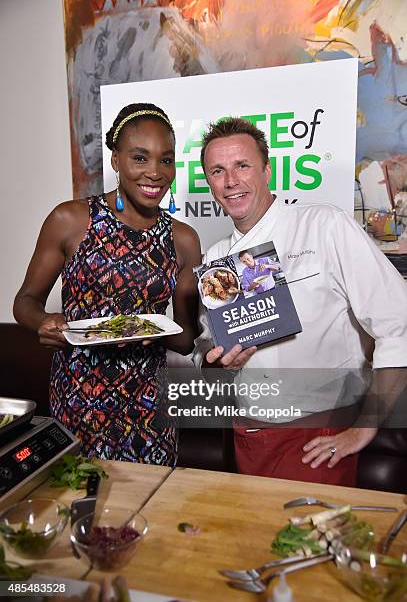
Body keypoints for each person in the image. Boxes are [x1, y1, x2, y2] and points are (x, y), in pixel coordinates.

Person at [193, 117, 407, 486]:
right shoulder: (215, 261)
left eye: (242, 165)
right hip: (250, 435)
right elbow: (207, 359)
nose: (231, 181)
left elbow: (398, 325)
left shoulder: (325, 226)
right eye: (218, 171)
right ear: (210, 183)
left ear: (268, 170)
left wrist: (365, 427)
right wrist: (222, 365)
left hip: (320, 436)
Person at [14, 103, 201, 466]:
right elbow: (25, 300)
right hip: (80, 396)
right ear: (115, 160)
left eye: (166, 160)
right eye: (140, 158)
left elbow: (184, 338)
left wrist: (154, 331)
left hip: (149, 403)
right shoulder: (70, 219)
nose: (155, 173)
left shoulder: (184, 240)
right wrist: (43, 321)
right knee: (81, 499)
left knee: (151, 507)